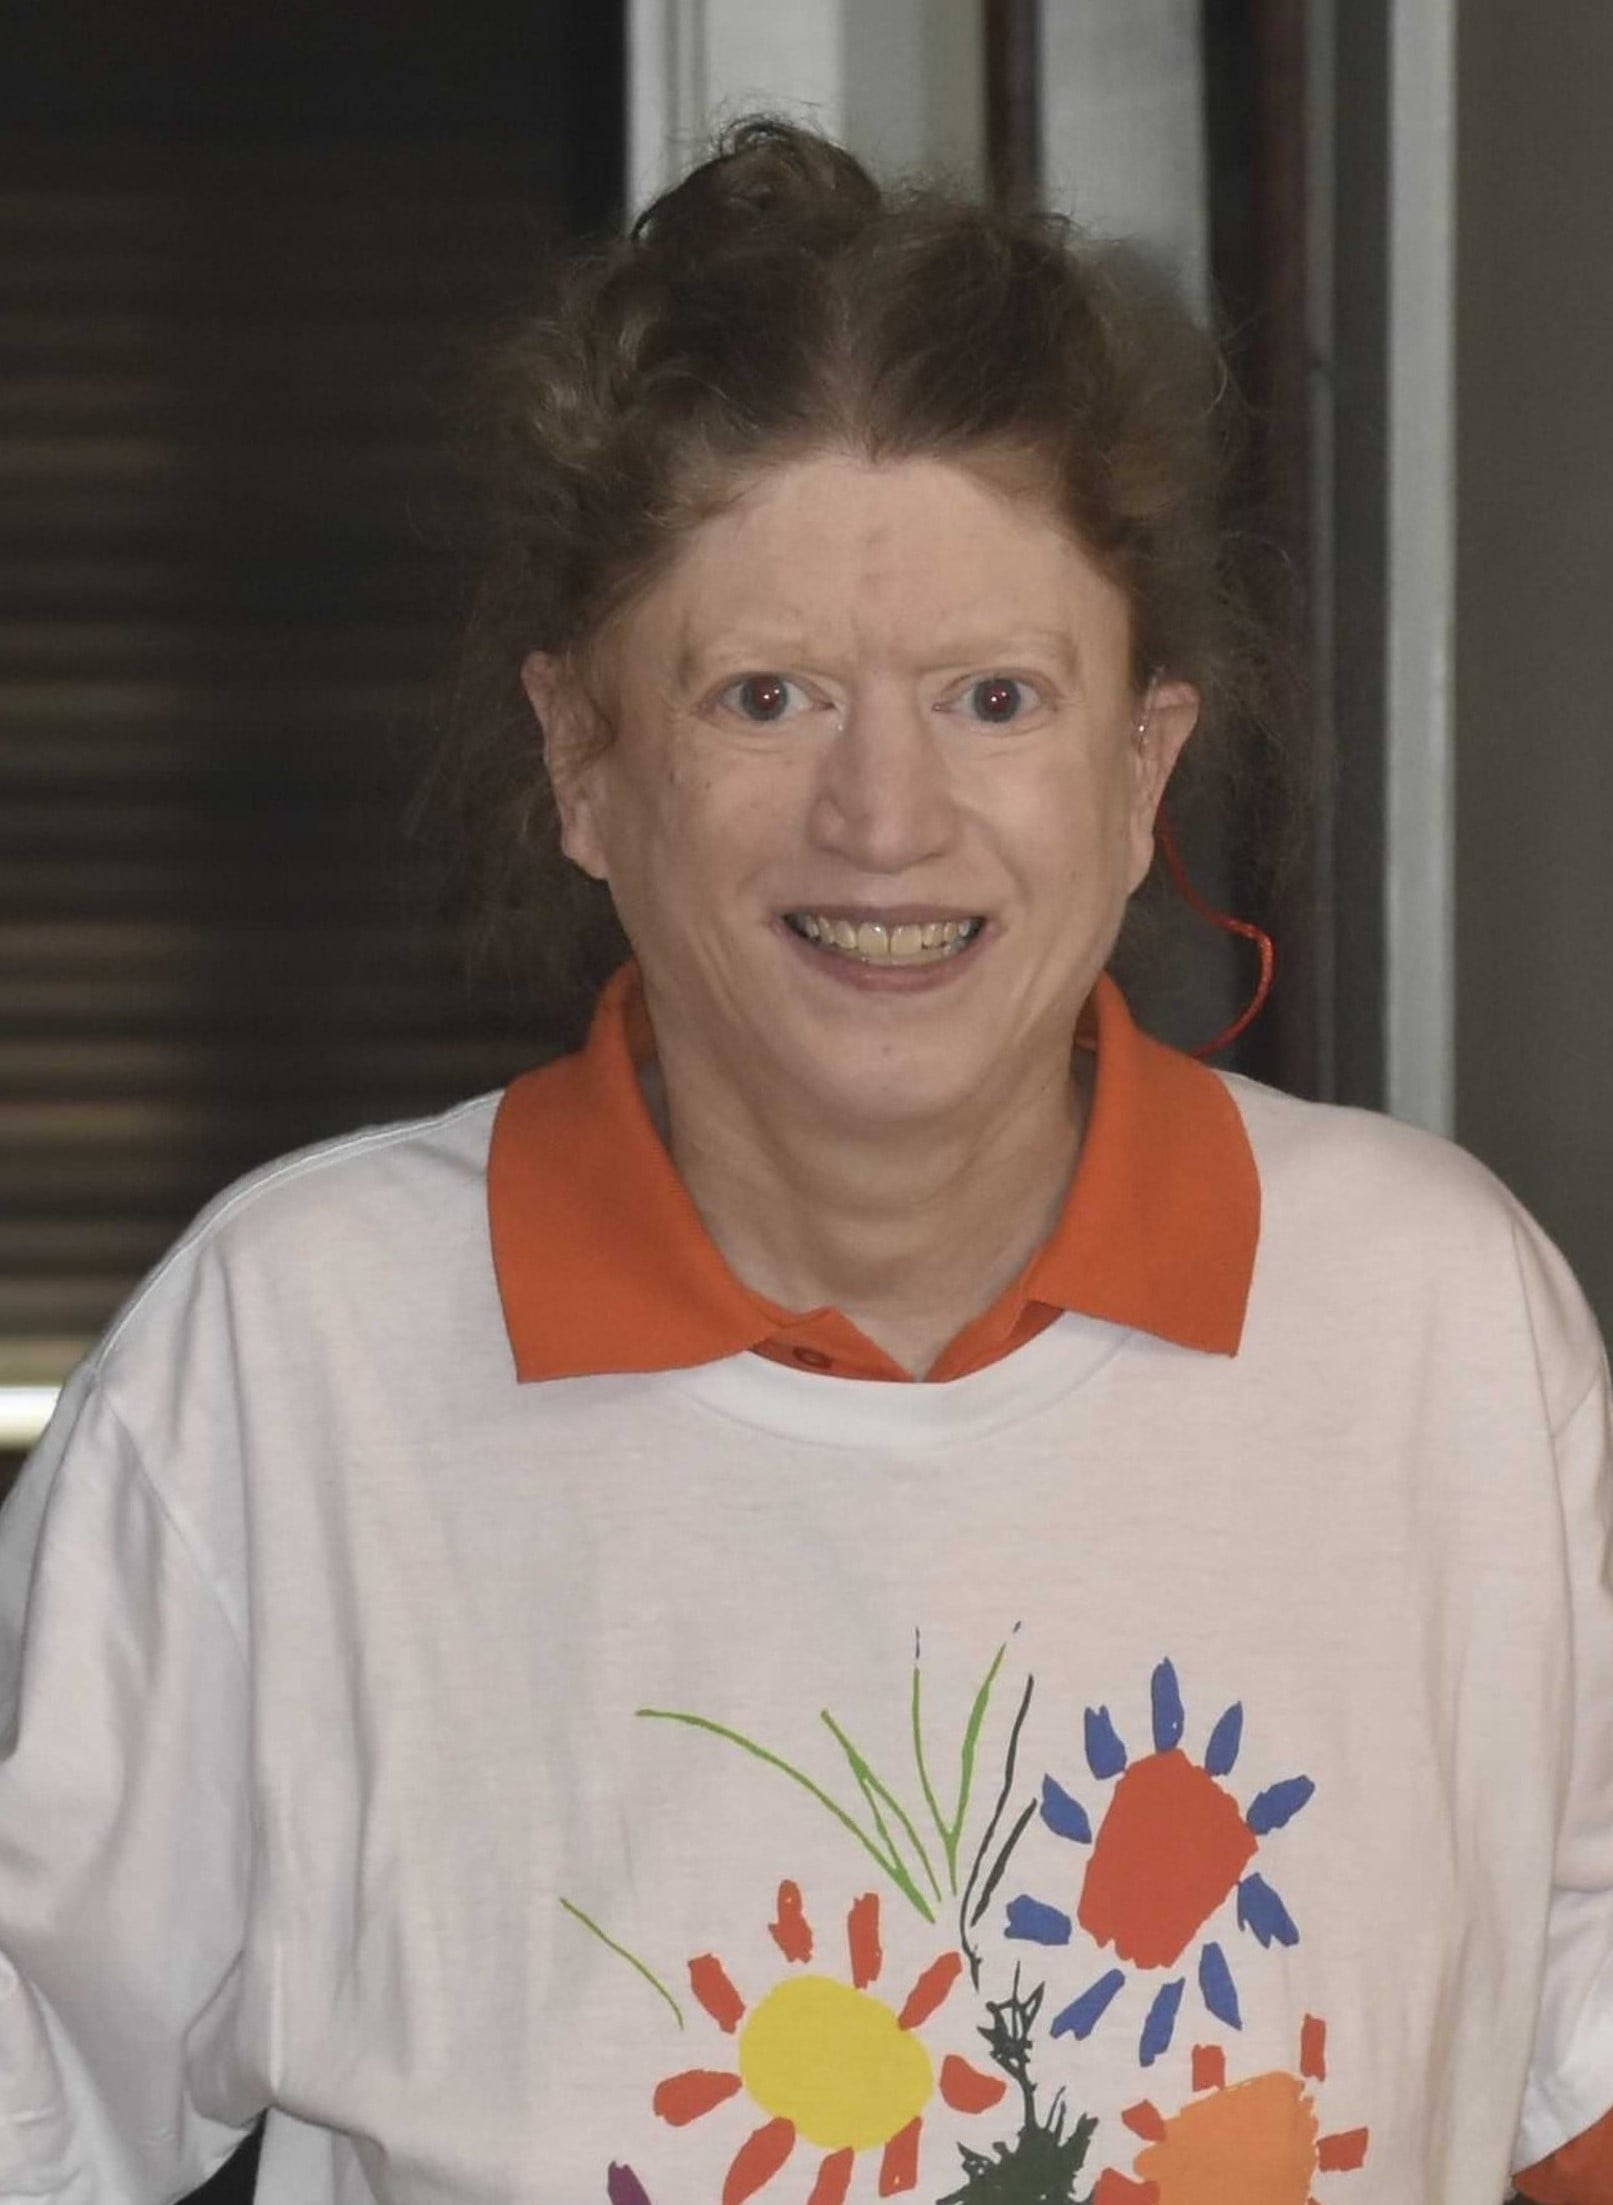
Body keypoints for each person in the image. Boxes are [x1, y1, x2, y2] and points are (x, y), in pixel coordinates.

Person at [1, 117, 1608, 2205]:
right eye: (763, 695)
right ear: (584, 761)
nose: (884, 817)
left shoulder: (1435, 1322)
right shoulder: (290, 1362)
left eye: (995, 697)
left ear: (1139, 773)